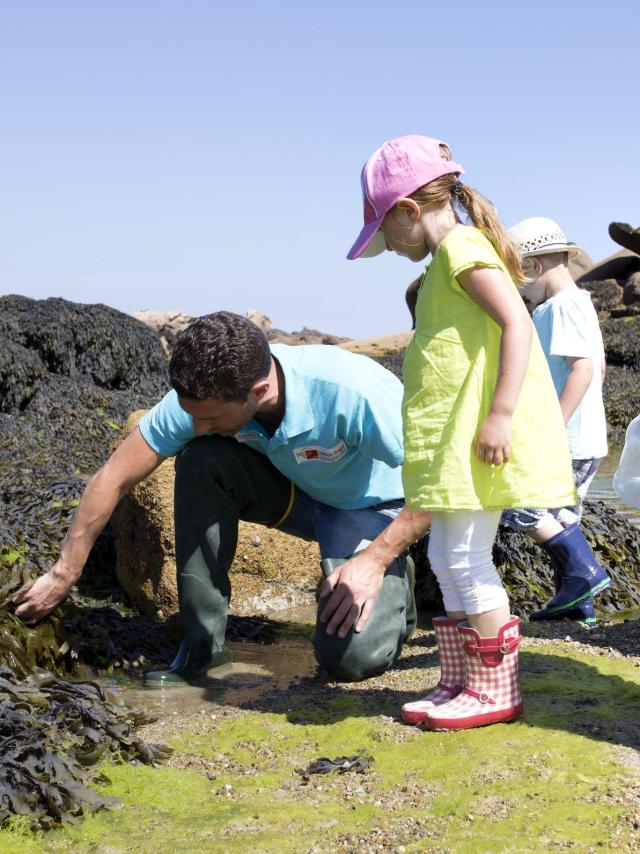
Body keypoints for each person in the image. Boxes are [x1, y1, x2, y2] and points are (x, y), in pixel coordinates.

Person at [12, 312, 417, 687]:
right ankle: (203, 645)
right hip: (300, 494)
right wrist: (65, 572)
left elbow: (447, 484)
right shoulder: (201, 398)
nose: (198, 425)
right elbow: (112, 478)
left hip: (378, 507)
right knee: (201, 459)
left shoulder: (354, 391)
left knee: (350, 660)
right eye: (193, 415)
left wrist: (375, 560)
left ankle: (401, 581)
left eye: (211, 419)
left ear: (258, 391)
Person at [342, 133, 596, 732]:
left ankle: (495, 687)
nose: (388, 245)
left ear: (408, 209)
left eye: (387, 230)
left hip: (476, 438)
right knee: (444, 554)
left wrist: (502, 413)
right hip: (452, 442)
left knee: (464, 556)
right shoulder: (443, 262)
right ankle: (460, 680)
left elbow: (516, 323)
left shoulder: (461, 249)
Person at [501, 218, 610, 625]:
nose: (520, 291)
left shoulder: (558, 307)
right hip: (586, 437)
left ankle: (584, 572)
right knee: (563, 517)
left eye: (519, 281)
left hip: (565, 438)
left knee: (518, 504)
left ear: (533, 268)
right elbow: (597, 367)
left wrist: (552, 427)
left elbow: (581, 370)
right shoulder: (579, 303)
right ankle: (580, 608)